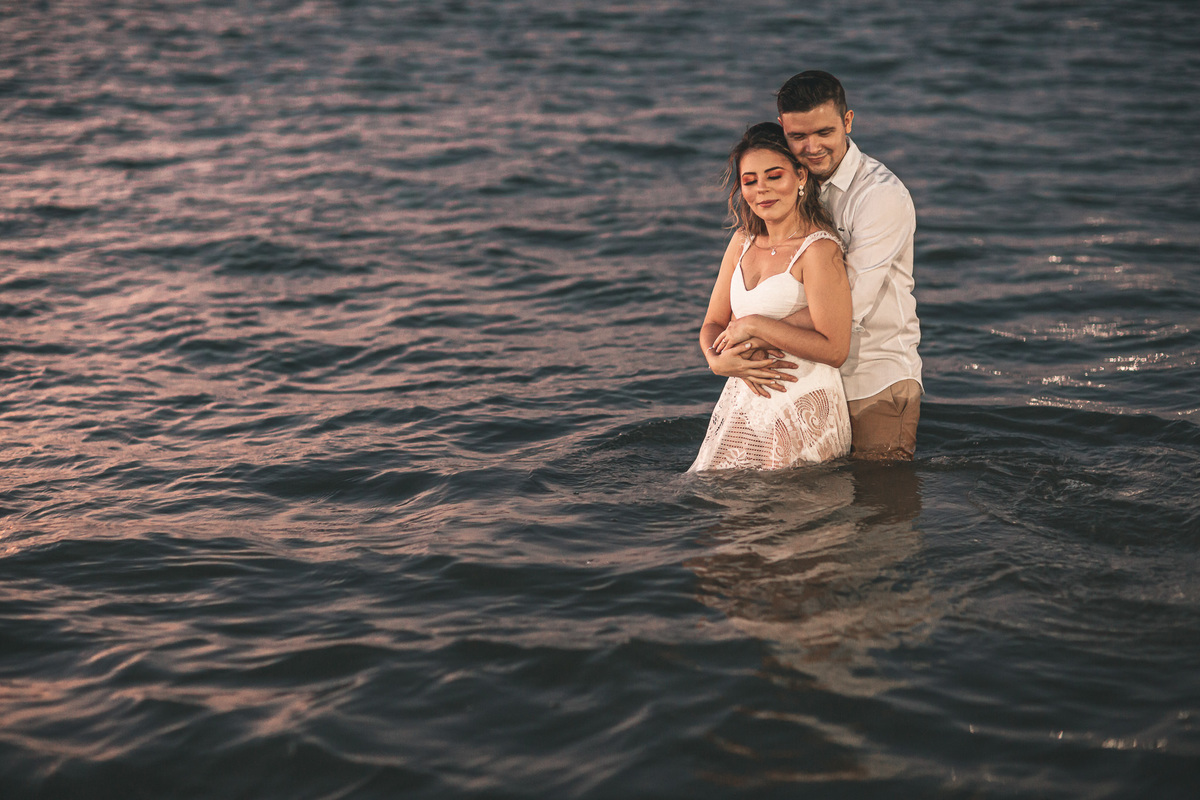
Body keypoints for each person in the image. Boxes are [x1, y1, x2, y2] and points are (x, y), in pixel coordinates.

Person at [724, 71, 924, 460]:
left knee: (882, 508)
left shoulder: (880, 198)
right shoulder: (790, 186)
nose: (812, 147)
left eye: (824, 133)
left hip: (872, 377)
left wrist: (748, 333)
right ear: (783, 129)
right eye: (798, 137)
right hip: (805, 381)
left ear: (847, 122)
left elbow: (847, 305)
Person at [689, 122, 852, 471]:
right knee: (734, 519)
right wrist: (714, 361)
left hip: (802, 404)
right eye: (750, 181)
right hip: (744, 404)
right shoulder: (741, 241)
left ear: (801, 177)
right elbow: (713, 323)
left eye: (774, 176)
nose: (761, 190)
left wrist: (753, 325)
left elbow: (835, 349)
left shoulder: (818, 250)